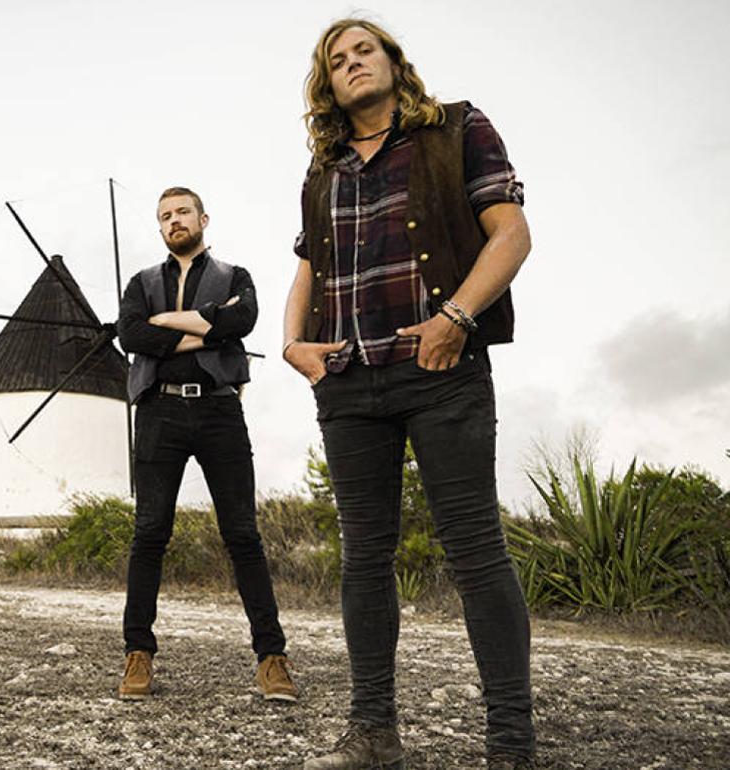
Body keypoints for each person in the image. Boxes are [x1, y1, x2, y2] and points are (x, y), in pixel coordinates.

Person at [281, 18, 535, 770]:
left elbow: (511, 233)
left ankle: (510, 746)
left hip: (441, 370)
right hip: (349, 382)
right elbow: (307, 267)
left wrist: (456, 317)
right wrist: (296, 346)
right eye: (337, 60)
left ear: (394, 61)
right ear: (326, 85)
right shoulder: (322, 171)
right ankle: (373, 734)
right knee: (364, 557)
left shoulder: (456, 128)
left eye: (365, 50)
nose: (353, 63)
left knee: (476, 551)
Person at [115, 186, 296, 702]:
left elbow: (244, 321)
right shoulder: (140, 282)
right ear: (160, 227)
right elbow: (131, 336)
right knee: (150, 533)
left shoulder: (236, 277)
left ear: (203, 218)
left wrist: (167, 321)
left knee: (243, 534)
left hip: (219, 407)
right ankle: (138, 654)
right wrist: (208, 327)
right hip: (159, 410)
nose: (174, 222)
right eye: (165, 216)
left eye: (182, 213)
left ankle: (272, 657)